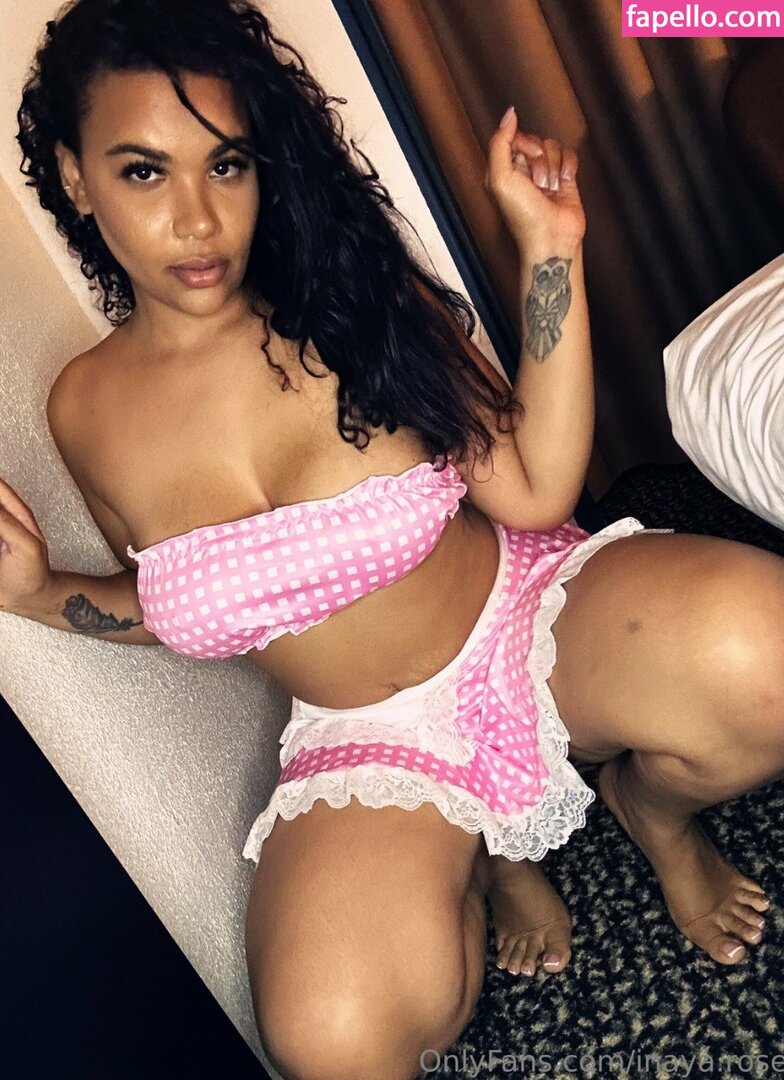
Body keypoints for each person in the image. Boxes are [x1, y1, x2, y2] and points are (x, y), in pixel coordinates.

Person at [4, 0, 781, 1076]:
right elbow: (182, 605)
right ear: (76, 179)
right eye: (144, 171)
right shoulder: (84, 412)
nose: (198, 220)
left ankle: (652, 815)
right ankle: (484, 854)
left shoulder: (349, 301)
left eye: (226, 165)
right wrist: (38, 594)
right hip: (367, 738)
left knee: (769, 659)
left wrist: (549, 249)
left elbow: (533, 487)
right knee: (331, 1044)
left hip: (524, 617)